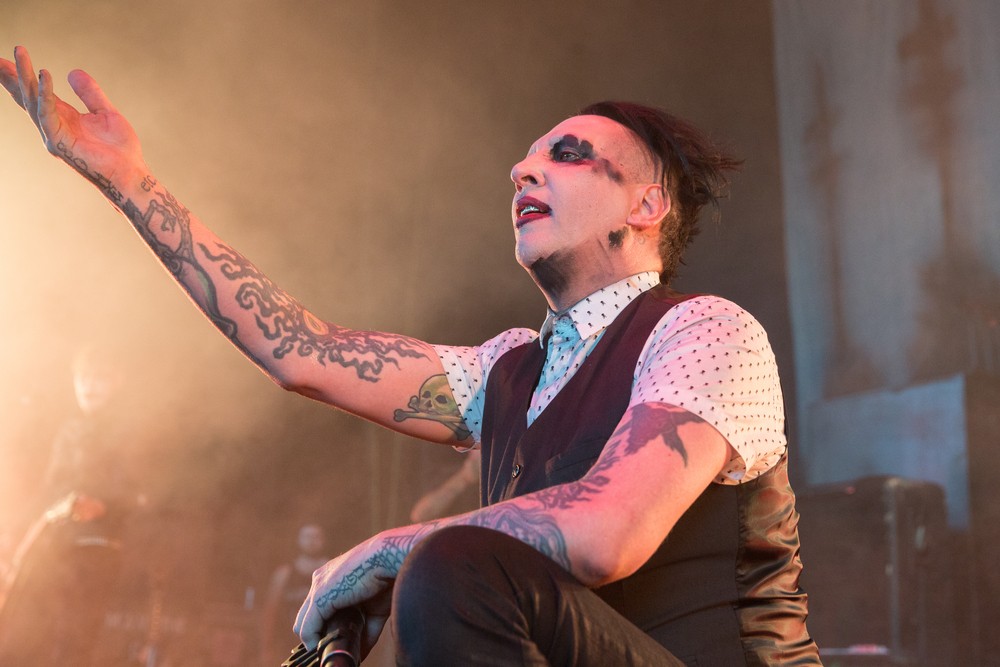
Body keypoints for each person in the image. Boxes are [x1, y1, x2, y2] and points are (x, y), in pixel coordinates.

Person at [1, 46, 821, 665]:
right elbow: (302, 352)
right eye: (526, 158)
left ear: (647, 204)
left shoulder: (705, 331)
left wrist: (391, 549)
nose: (523, 169)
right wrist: (129, 181)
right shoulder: (509, 370)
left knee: (450, 566)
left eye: (566, 154)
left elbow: (610, 530)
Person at [260, 523, 330, 665]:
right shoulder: (284, 574)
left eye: (316, 537)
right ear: (298, 540)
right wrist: (266, 646)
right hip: (288, 643)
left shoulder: (332, 571)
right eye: (307, 536)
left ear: (323, 540)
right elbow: (270, 612)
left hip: (322, 643)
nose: (311, 541)